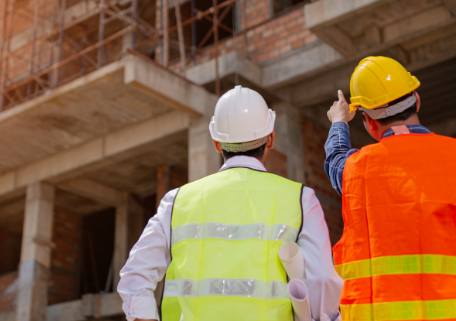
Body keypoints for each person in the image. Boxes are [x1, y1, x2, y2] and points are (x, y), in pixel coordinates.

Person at [323, 57, 456, 321]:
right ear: (417, 100)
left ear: (370, 122)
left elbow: (335, 160)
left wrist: (339, 122)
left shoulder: (353, 172)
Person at [118, 86, 343, 321]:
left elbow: (134, 279)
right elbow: (322, 282)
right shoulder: (301, 199)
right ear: (271, 138)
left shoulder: (177, 202)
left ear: (216, 143)